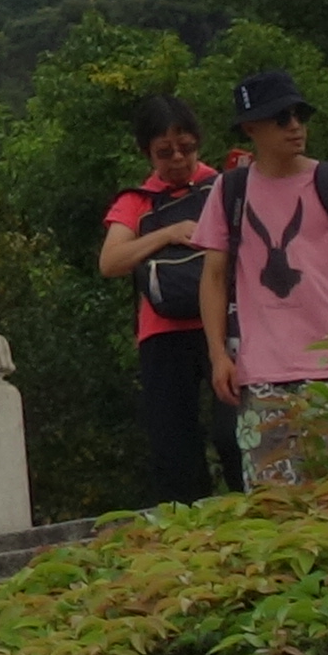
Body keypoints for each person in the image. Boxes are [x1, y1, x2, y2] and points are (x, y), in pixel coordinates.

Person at [200, 72, 328, 488]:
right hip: (261, 373)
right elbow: (212, 277)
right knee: (275, 511)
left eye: (300, 115)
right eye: (281, 118)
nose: (295, 126)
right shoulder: (229, 191)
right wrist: (218, 355)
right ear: (251, 128)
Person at [93, 97, 226, 500]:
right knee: (173, 442)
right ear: (147, 153)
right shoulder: (136, 201)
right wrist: (167, 233)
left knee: (237, 429)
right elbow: (111, 261)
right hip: (162, 331)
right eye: (164, 153)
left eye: (186, 147)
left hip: (220, 322)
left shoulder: (222, 186)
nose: (178, 159)